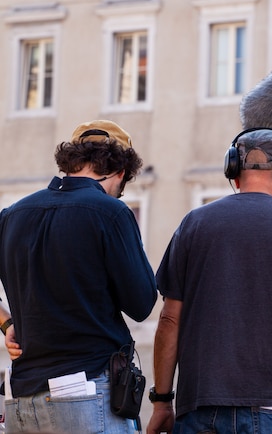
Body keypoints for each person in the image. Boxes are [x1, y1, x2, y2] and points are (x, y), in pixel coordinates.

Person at [147, 128, 272, 434]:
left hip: (199, 412)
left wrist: (163, 402)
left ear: (234, 171)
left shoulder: (193, 224)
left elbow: (169, 320)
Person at [0, 120, 157, 434]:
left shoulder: (12, 215)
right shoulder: (110, 212)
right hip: (86, 394)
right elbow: (142, 303)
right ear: (122, 171)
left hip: (22, 399)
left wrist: (7, 324)